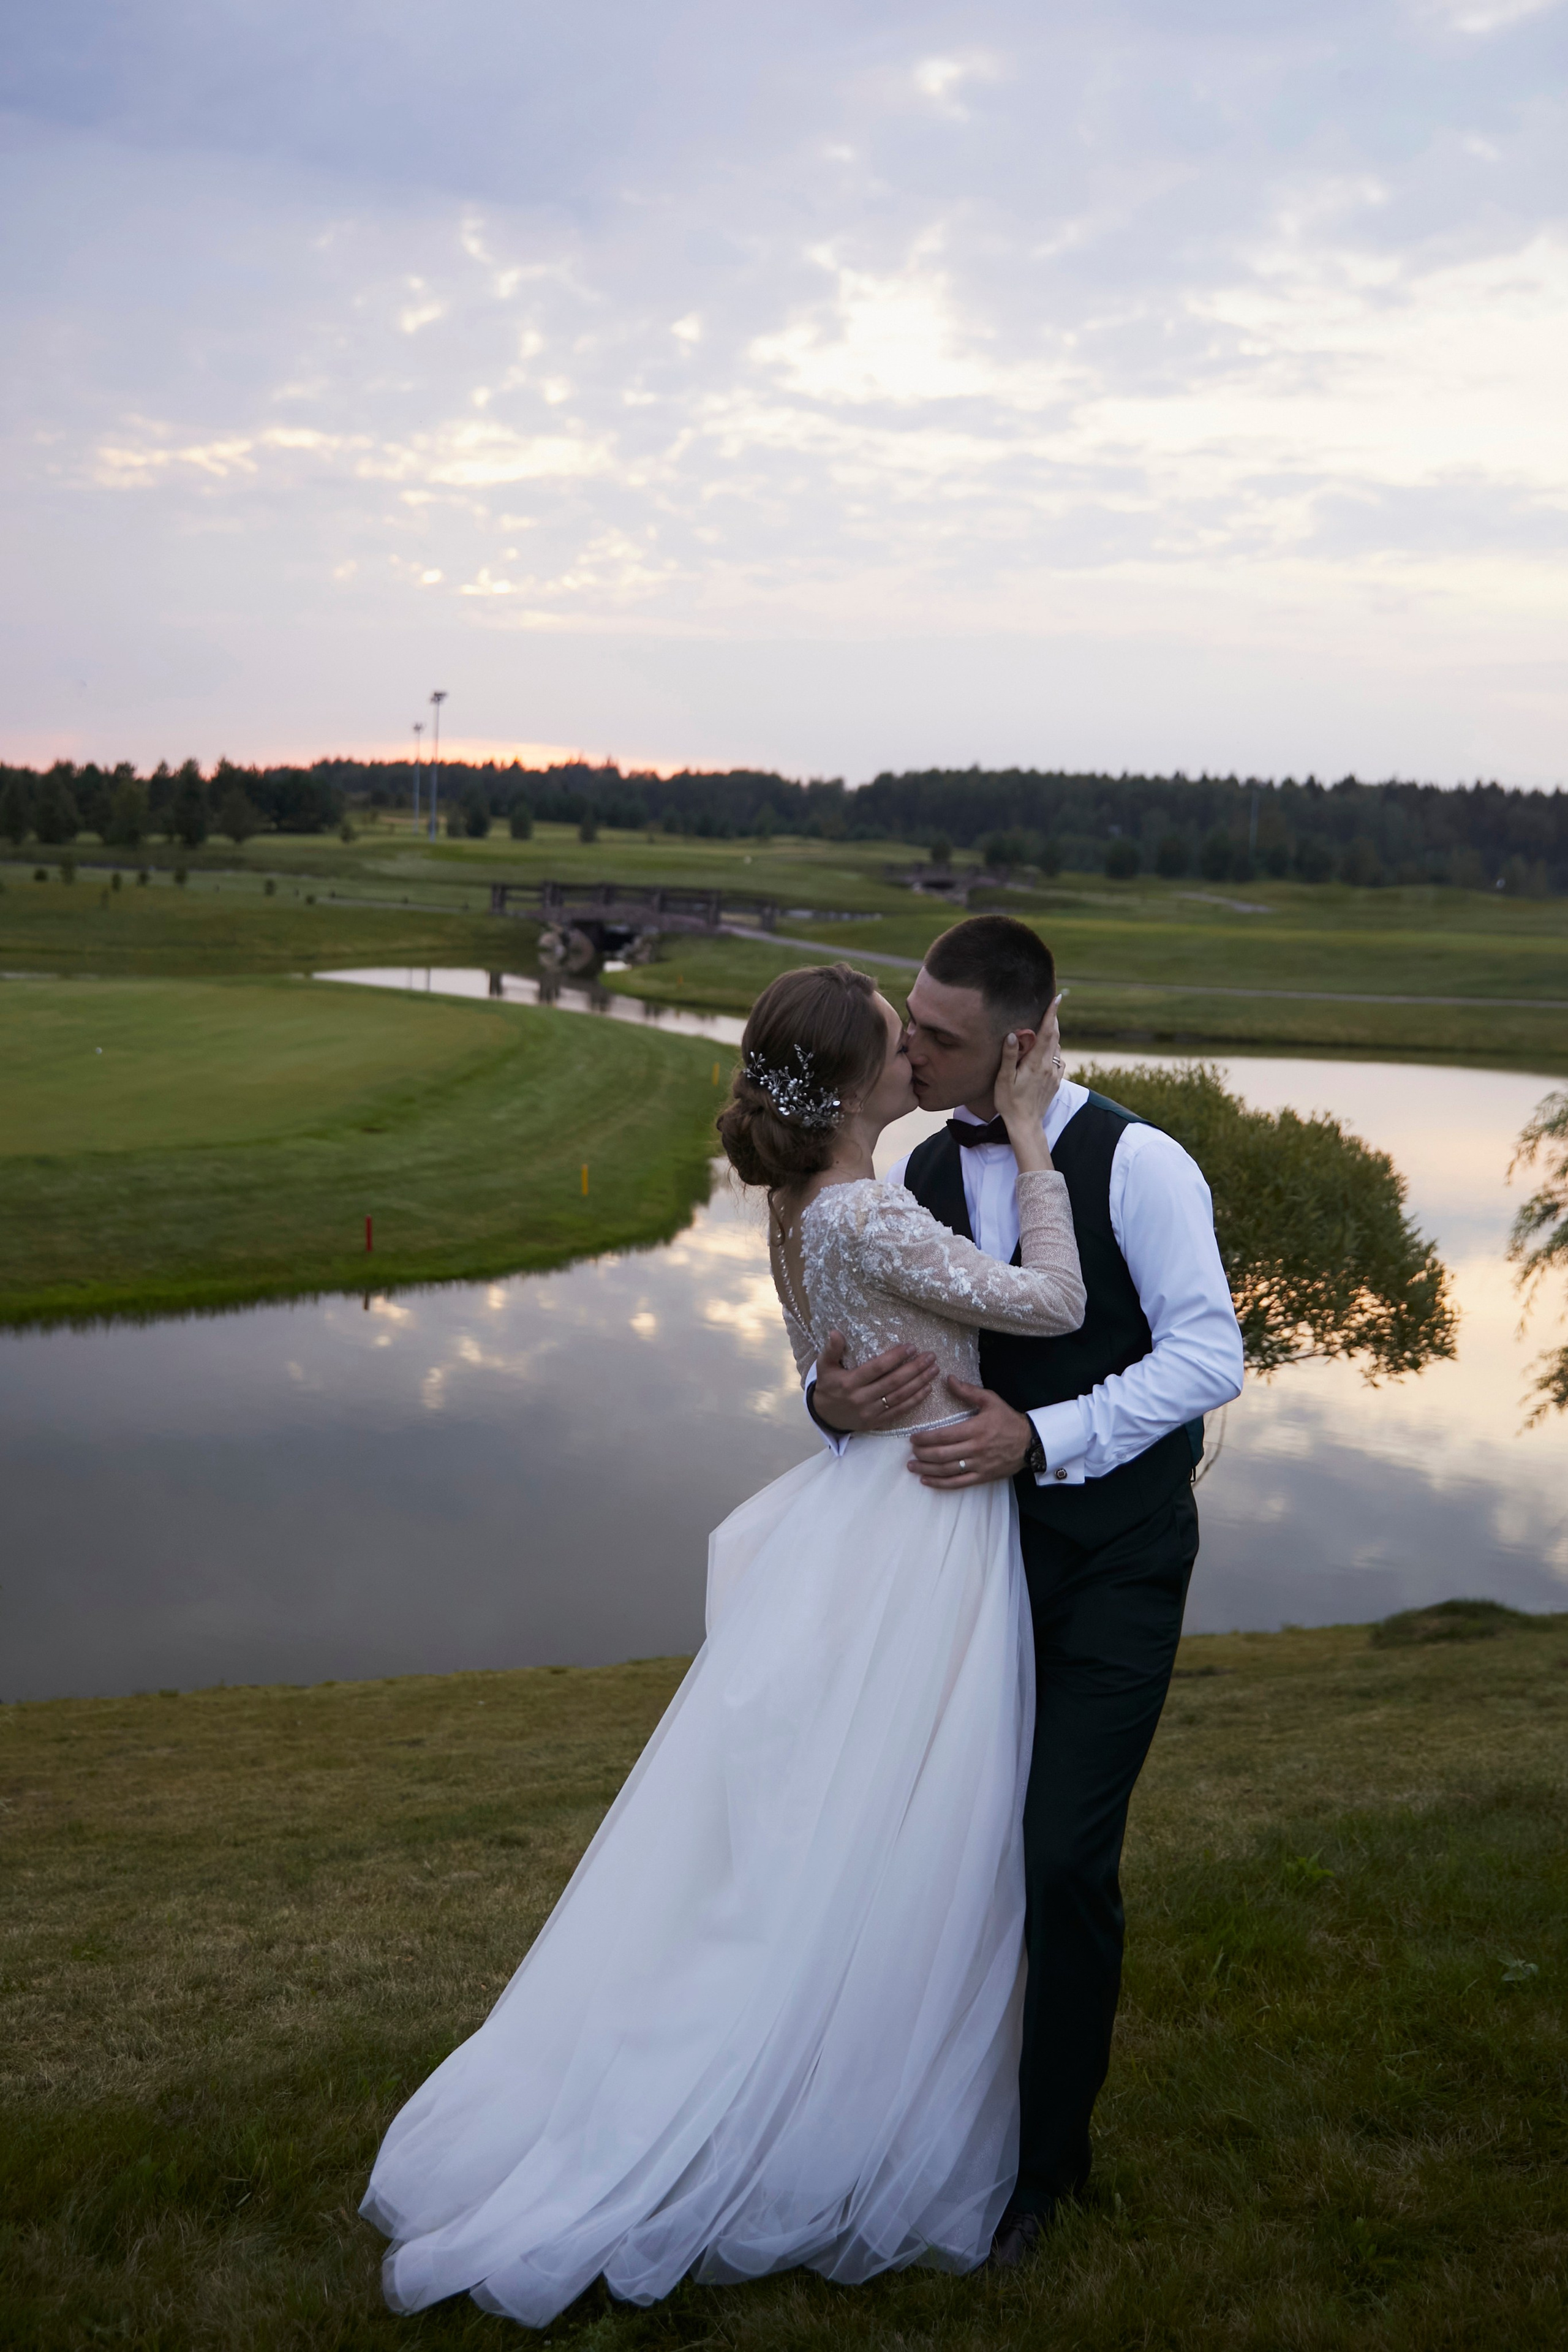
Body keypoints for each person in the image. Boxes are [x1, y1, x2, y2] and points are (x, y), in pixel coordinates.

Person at [361, 961, 1086, 2326]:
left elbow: (840, 1352)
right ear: (856, 1082)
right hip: (917, 1532)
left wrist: (831, 1388)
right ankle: (816, 2098)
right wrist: (1037, 1141)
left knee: (827, 1820)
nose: (911, 1062)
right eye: (894, 1046)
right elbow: (1046, 1305)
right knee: (900, 1818)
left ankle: (834, 2051)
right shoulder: (863, 1207)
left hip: (863, 1513)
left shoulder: (796, 1204)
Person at [808, 913, 1245, 2266]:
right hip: (957, 1562)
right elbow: (861, 1344)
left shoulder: (1141, 1163)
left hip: (1112, 1556)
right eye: (907, 1028)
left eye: (936, 1037)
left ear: (1023, 1039)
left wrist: (1041, 1438)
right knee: (937, 1847)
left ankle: (1042, 2173)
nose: (910, 1051)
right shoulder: (914, 1173)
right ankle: (920, 2120)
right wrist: (827, 1399)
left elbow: (1205, 1355)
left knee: (1060, 1855)